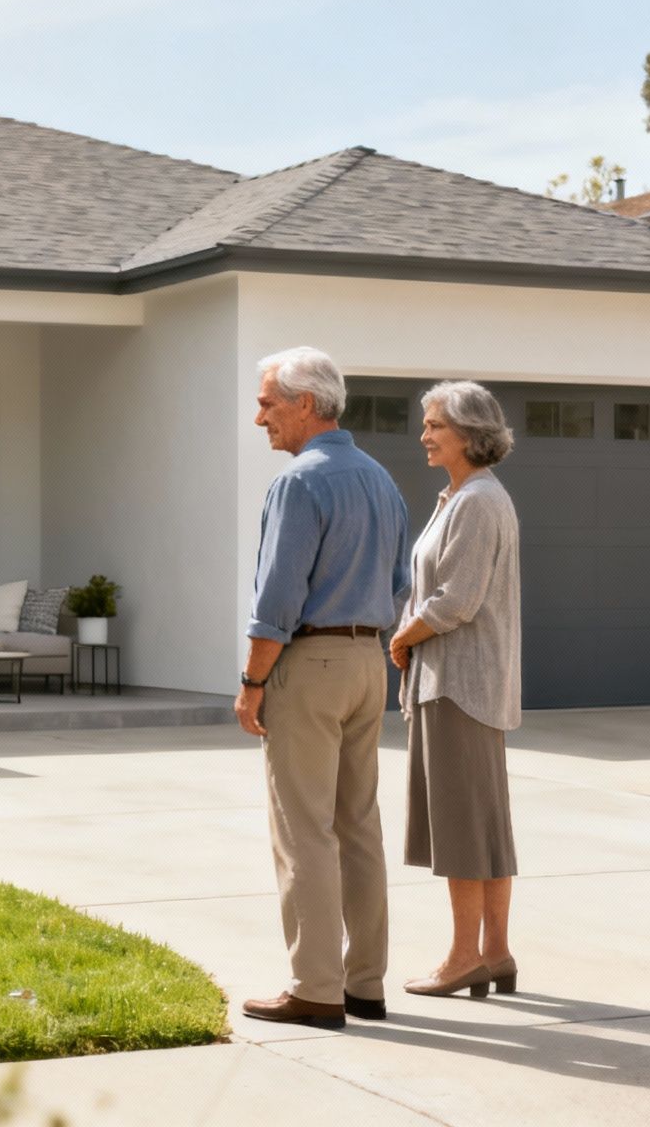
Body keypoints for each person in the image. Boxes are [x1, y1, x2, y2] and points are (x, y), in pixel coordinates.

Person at [236, 346, 411, 1030]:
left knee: (303, 828)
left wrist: (253, 682)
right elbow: (400, 581)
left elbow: (277, 599)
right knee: (357, 825)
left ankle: (315, 987)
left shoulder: (301, 483)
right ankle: (364, 982)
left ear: (306, 404)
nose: (260, 418)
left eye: (268, 403)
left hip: (310, 665)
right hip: (369, 663)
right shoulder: (380, 478)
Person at [387, 381, 522, 999]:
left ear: (468, 433)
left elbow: (455, 601)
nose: (424, 435)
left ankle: (465, 956)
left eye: (435, 424)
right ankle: (493, 952)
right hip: (463, 683)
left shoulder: (475, 502)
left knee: (465, 830)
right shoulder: (463, 497)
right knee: (484, 827)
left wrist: (403, 636)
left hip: (458, 685)